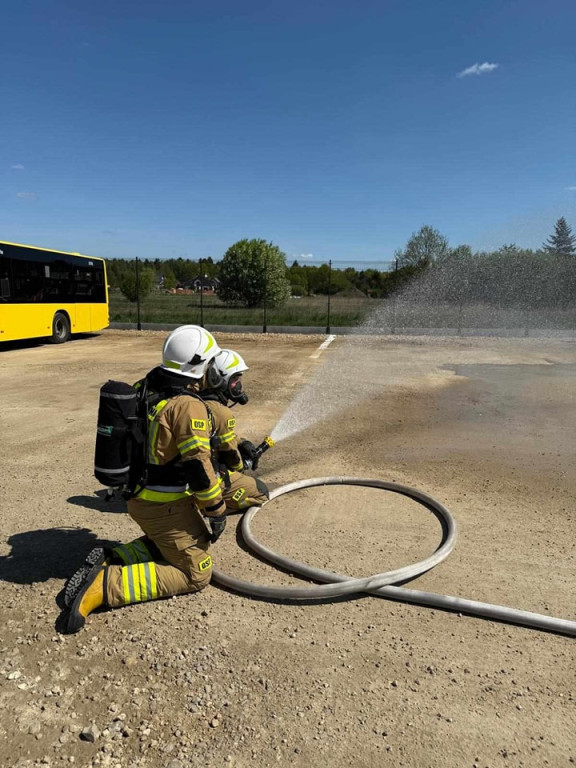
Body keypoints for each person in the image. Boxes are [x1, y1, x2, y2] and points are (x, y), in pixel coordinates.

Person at [63, 325, 229, 634]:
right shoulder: (188, 405)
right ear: (198, 365)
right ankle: (106, 584)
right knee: (197, 571)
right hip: (164, 505)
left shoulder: (145, 386)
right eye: (210, 363)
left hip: (140, 497)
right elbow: (197, 466)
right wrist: (217, 511)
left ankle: (118, 556)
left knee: (197, 540)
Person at [200, 348, 269, 513]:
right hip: (202, 480)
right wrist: (242, 466)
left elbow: (220, 434)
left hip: (185, 474)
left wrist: (241, 442)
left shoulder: (198, 399)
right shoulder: (221, 412)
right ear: (219, 379)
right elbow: (232, 456)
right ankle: (209, 508)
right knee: (261, 492)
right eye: (235, 379)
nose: (238, 384)